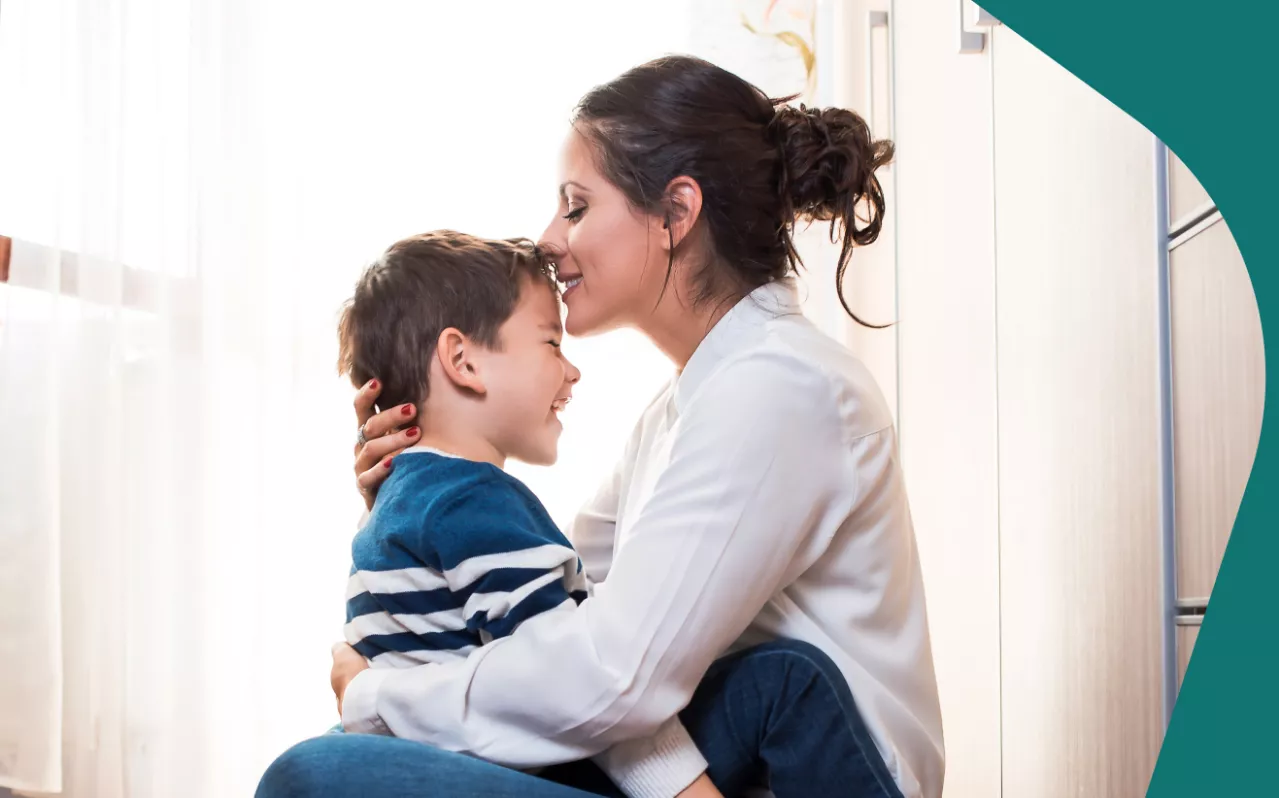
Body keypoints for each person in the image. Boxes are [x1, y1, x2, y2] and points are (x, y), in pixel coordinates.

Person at [259, 55, 944, 798]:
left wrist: (379, 698)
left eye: (577, 206)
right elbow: (556, 617)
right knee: (343, 757)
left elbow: (611, 676)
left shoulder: (777, 388)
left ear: (676, 214)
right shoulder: (685, 407)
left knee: (318, 772)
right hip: (716, 763)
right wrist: (414, 502)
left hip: (819, 778)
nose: (550, 239)